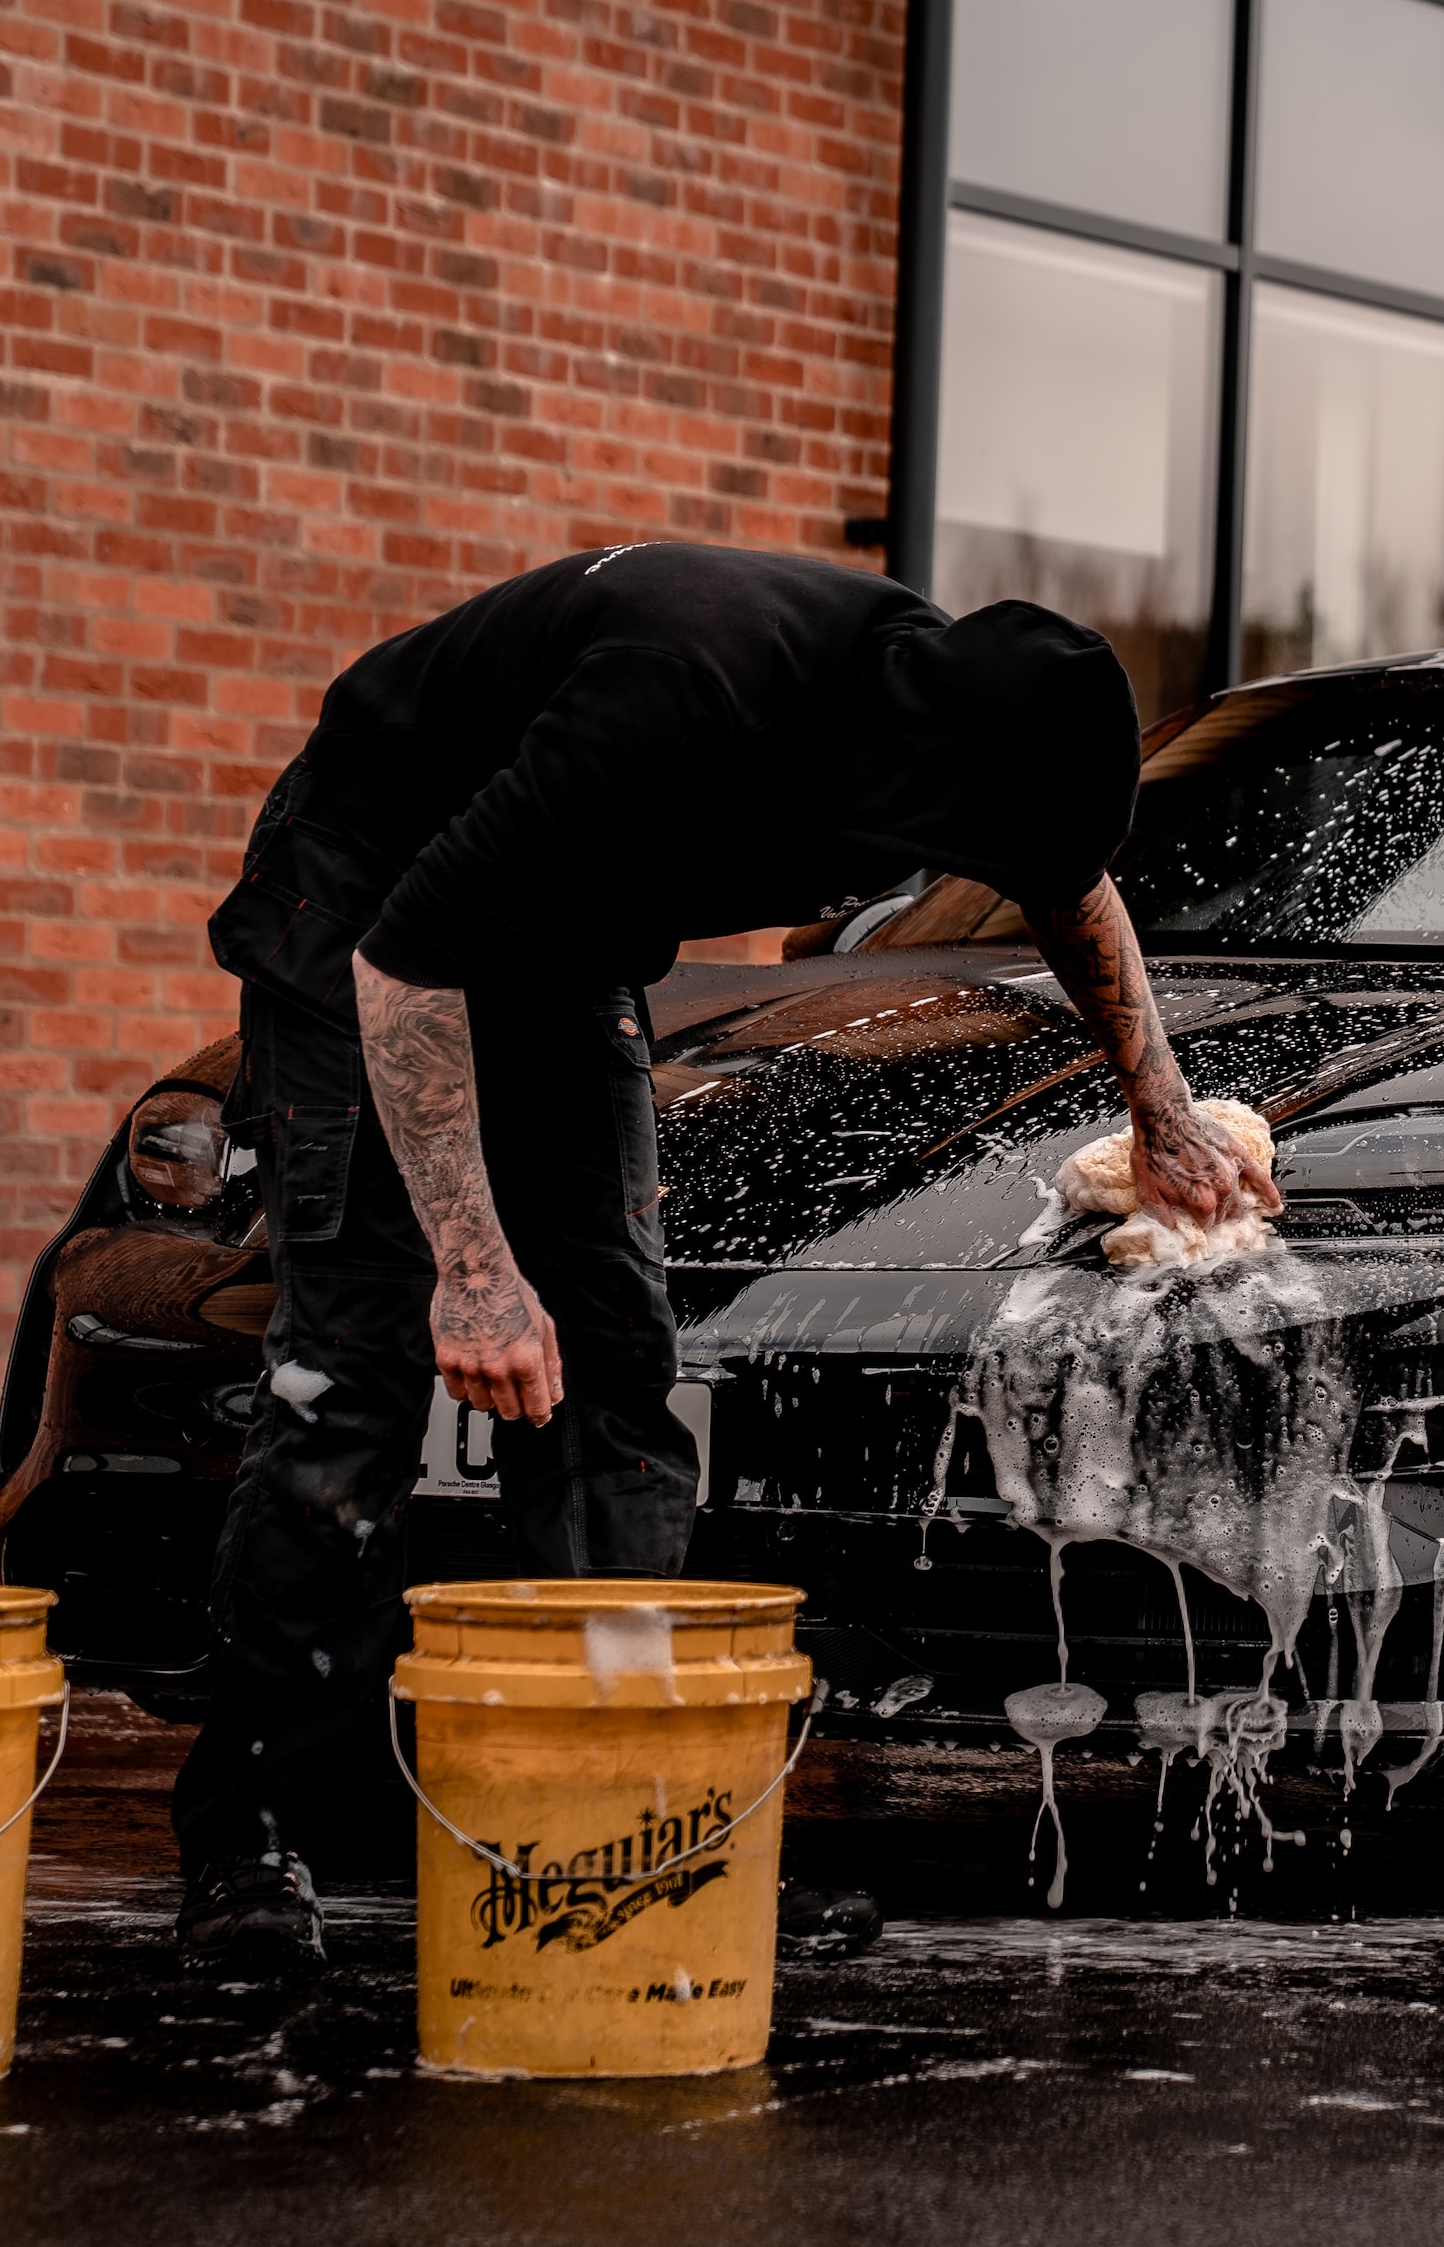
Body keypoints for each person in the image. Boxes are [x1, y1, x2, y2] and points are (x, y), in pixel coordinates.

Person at [175, 542, 1277, 1971]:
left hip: (560, 933)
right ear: (920, 772)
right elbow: (409, 966)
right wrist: (476, 1265)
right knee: (359, 1374)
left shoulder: (976, 707)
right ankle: (253, 1832)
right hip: (370, 911)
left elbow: (1072, 891)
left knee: (618, 1374)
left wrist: (1163, 1108)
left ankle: (629, 1811)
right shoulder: (685, 696)